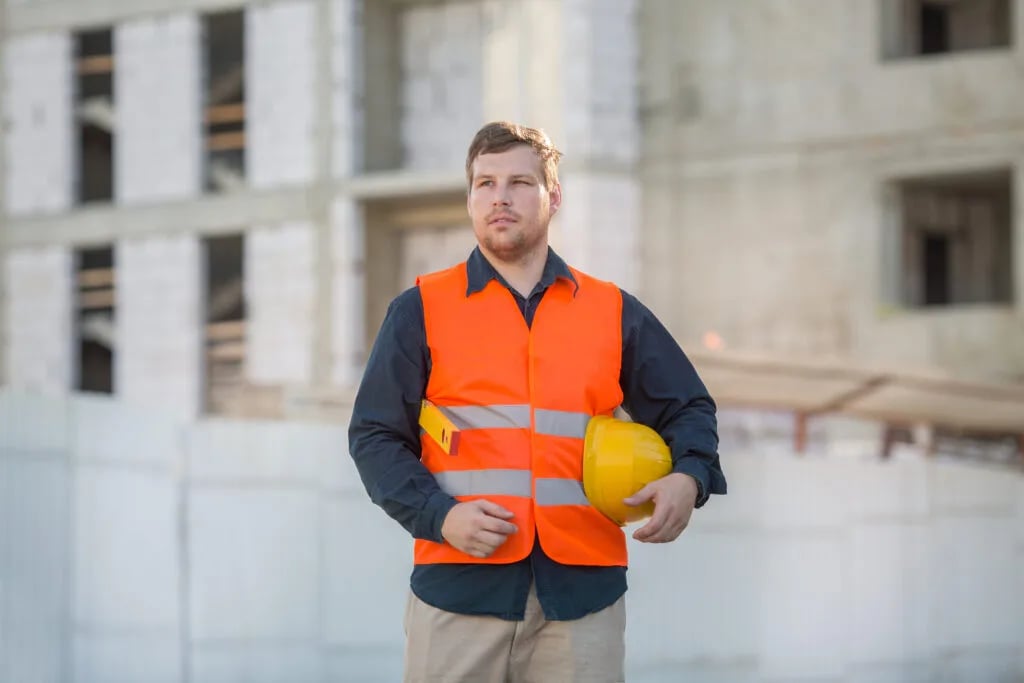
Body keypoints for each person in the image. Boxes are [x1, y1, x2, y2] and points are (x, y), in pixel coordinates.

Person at [348, 121, 726, 683]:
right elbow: (374, 436)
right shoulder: (421, 309)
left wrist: (689, 477)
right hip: (459, 589)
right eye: (485, 183)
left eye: (520, 182)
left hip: (581, 600)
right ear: (470, 197)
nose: (500, 197)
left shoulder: (611, 310)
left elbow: (689, 408)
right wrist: (440, 516)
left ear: (553, 196)